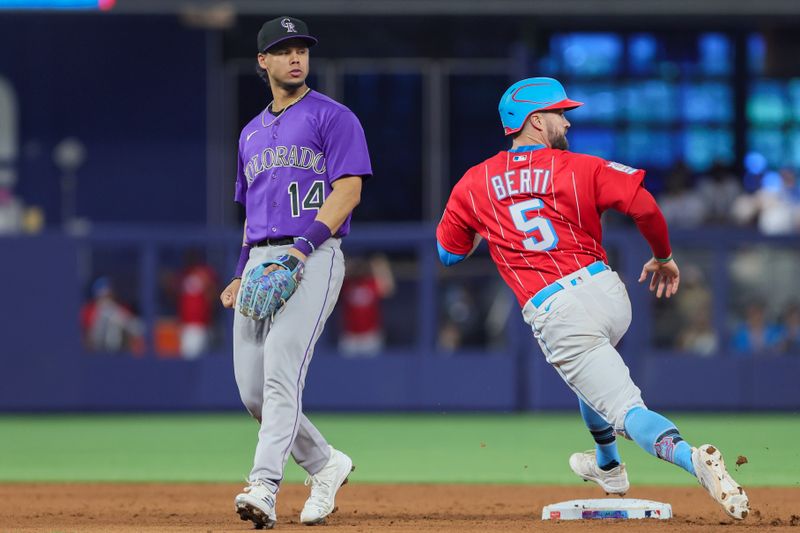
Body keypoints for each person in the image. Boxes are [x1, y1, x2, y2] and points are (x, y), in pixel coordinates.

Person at [436, 77, 749, 520]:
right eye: (560, 113)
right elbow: (644, 207)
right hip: (607, 292)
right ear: (535, 120)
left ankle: (692, 457)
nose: (566, 121)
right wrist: (663, 256)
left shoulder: (473, 182)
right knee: (594, 378)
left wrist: (488, 228)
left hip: (558, 309)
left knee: (626, 409)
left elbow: (447, 254)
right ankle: (608, 465)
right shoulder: (580, 166)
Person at [218, 16, 372, 529]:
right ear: (263, 61)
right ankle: (326, 464)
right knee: (253, 392)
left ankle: (263, 485)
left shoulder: (334, 117)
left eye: (301, 48)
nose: (295, 57)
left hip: (315, 253)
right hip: (261, 261)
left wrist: (302, 249)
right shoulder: (249, 134)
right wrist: (242, 271)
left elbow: (347, 192)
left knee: (282, 372)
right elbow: (251, 215)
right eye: (284, 50)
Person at [338, 254, 395, 357]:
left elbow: (388, 289)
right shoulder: (347, 283)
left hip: (370, 336)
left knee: (372, 369)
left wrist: (378, 266)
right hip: (350, 336)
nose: (360, 270)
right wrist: (349, 265)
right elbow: (336, 277)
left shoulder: (371, 283)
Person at [176, 249, 219, 359]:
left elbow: (214, 296)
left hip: (202, 325)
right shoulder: (184, 274)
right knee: (188, 360)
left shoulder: (205, 274)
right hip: (186, 326)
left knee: (200, 359)